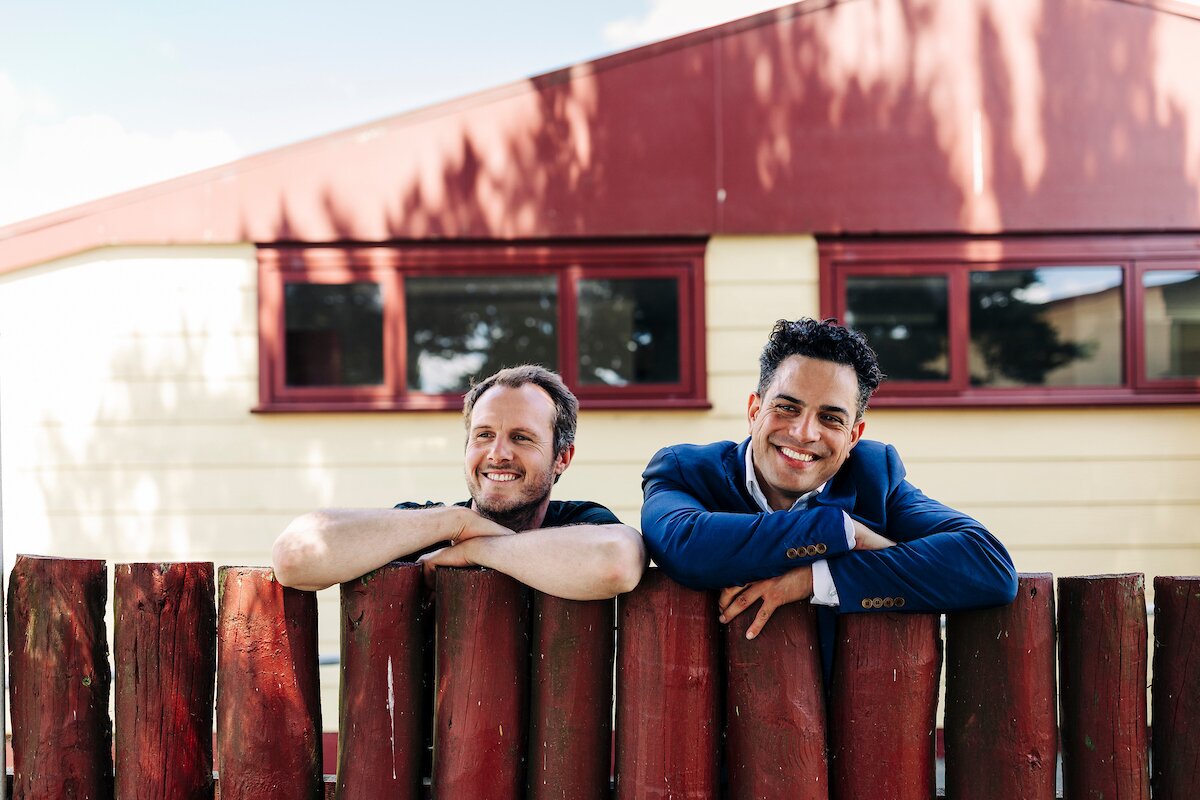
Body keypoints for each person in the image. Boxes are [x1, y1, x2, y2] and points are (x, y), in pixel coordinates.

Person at [641, 318, 1017, 648]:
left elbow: (988, 567)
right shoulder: (684, 469)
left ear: (854, 436)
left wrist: (816, 577)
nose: (804, 433)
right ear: (755, 410)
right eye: (787, 407)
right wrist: (842, 530)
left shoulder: (874, 477)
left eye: (831, 418)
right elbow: (685, 545)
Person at [273, 365, 646, 599]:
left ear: (562, 457)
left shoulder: (580, 523)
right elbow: (293, 556)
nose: (498, 453)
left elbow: (616, 561)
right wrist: (456, 522)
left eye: (521, 437)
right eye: (483, 435)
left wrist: (473, 551)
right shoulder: (424, 528)